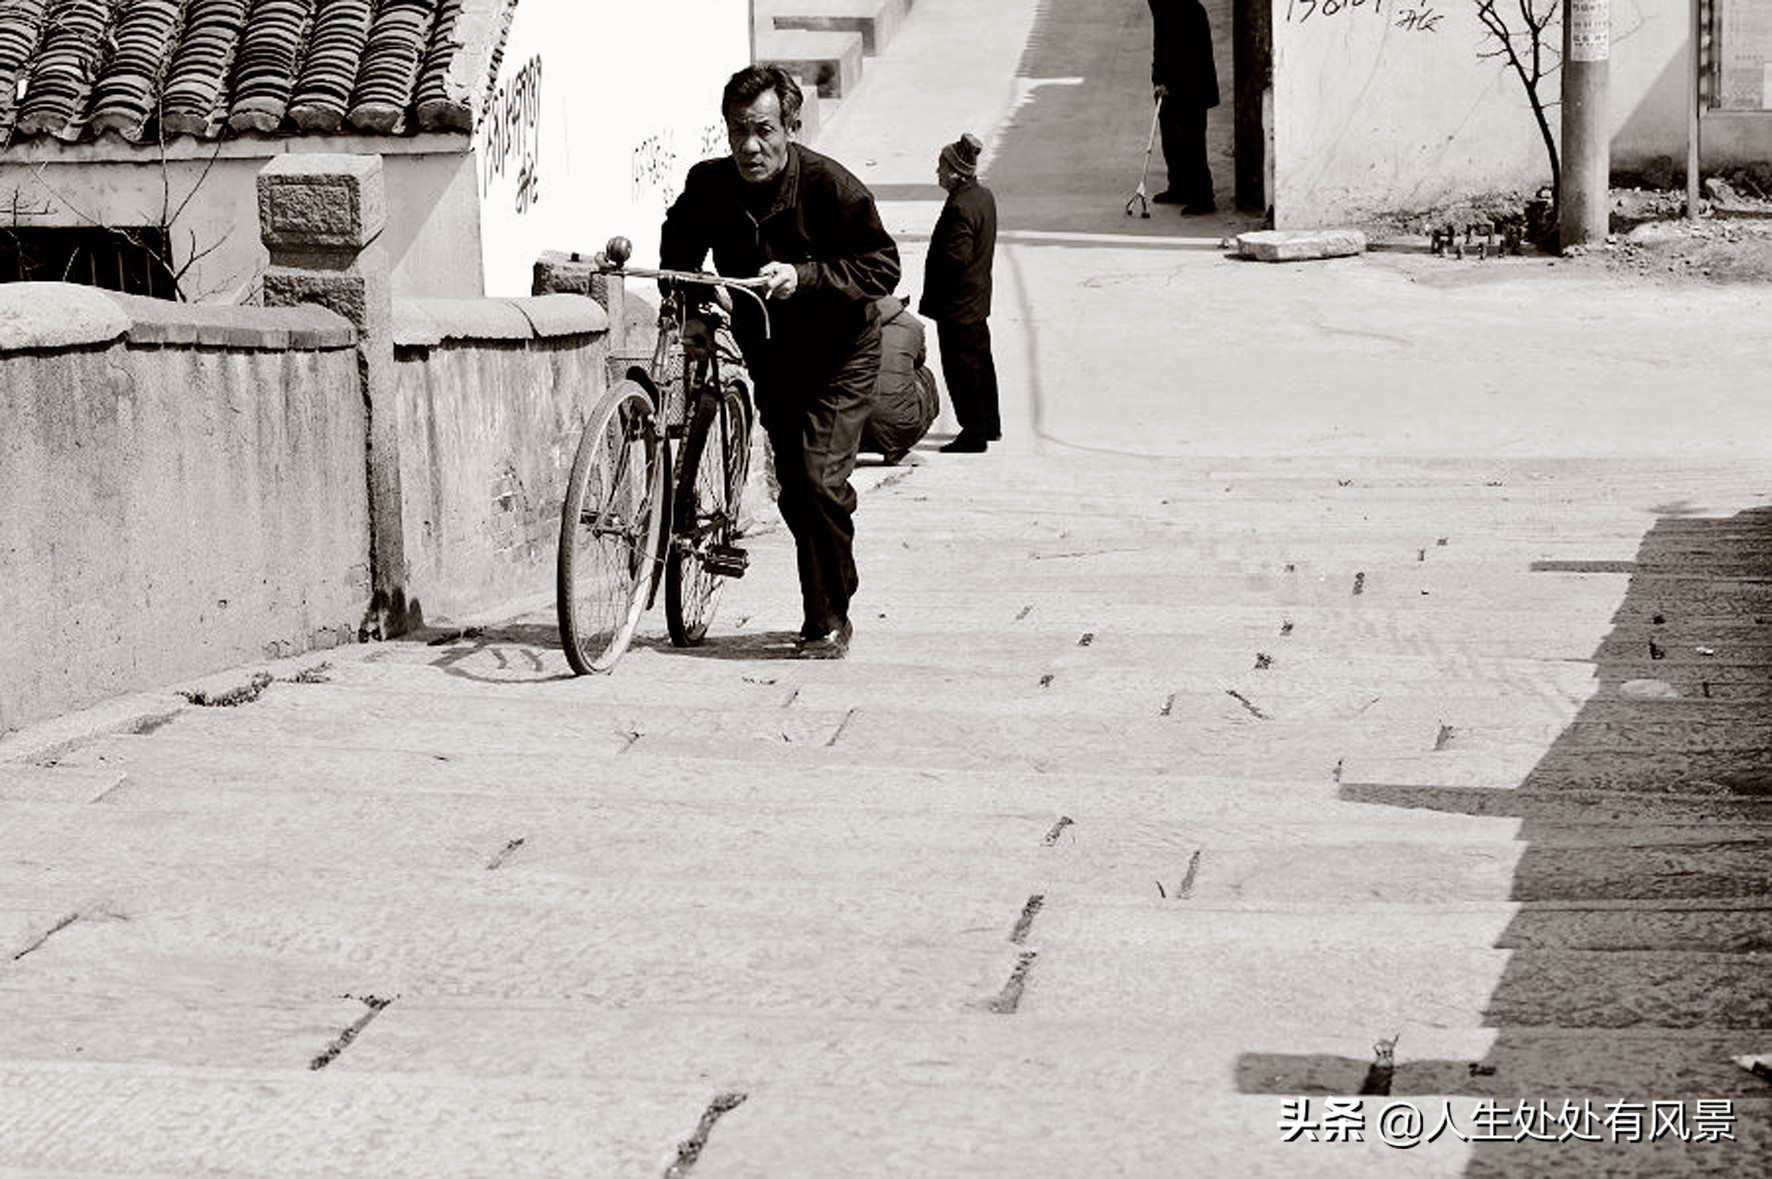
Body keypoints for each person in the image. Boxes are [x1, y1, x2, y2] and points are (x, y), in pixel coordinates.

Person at [660, 65, 900, 659]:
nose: (749, 146)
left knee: (818, 479)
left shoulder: (832, 188)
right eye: (737, 130)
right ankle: (828, 579)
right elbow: (679, 245)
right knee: (796, 488)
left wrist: (805, 276)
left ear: (789, 126)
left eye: (763, 130)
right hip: (772, 356)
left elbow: (882, 267)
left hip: (840, 354)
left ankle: (827, 618)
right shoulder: (710, 184)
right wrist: (692, 301)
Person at [919, 131, 1000, 454]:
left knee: (962, 368)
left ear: (954, 171)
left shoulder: (960, 206)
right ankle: (989, 423)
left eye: (940, 167)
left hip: (957, 304)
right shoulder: (983, 196)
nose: (937, 172)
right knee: (981, 362)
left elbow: (956, 256)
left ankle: (973, 432)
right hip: (977, 298)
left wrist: (937, 278)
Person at [1148, 0, 1219, 214]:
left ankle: (1203, 197)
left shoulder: (1187, 11)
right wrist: (1158, 77)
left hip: (1190, 85)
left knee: (1190, 140)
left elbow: (1184, 50)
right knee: (1170, 136)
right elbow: (1161, 42)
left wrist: (1168, 81)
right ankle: (1179, 186)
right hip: (1171, 83)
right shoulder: (1164, 7)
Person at [860, 294, 939, 465]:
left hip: (843, 426)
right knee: (924, 374)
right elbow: (919, 361)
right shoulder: (912, 325)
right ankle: (896, 450)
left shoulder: (841, 318)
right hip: (900, 427)